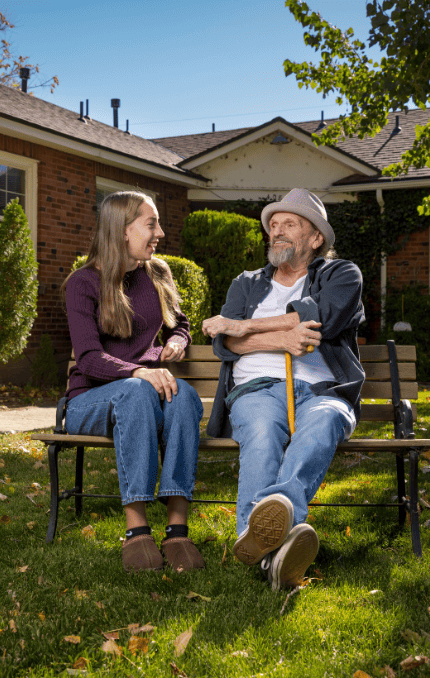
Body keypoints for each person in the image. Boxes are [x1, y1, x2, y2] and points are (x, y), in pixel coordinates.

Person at [201, 188, 364, 589]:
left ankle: (262, 541)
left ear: (316, 238)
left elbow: (317, 320)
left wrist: (247, 327)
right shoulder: (247, 283)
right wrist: (280, 338)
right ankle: (279, 542)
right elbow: (224, 344)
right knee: (260, 433)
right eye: (273, 225)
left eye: (289, 224)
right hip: (255, 388)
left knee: (325, 421)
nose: (277, 231)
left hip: (324, 390)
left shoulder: (341, 275)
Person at [63, 190, 205, 573]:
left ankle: (177, 530)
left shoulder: (156, 274)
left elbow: (182, 323)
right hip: (88, 401)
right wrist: (140, 371)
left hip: (139, 390)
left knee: (184, 396)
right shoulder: (83, 283)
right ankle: (137, 532)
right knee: (137, 392)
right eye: (151, 223)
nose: (160, 232)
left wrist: (176, 340)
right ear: (122, 230)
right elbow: (89, 359)